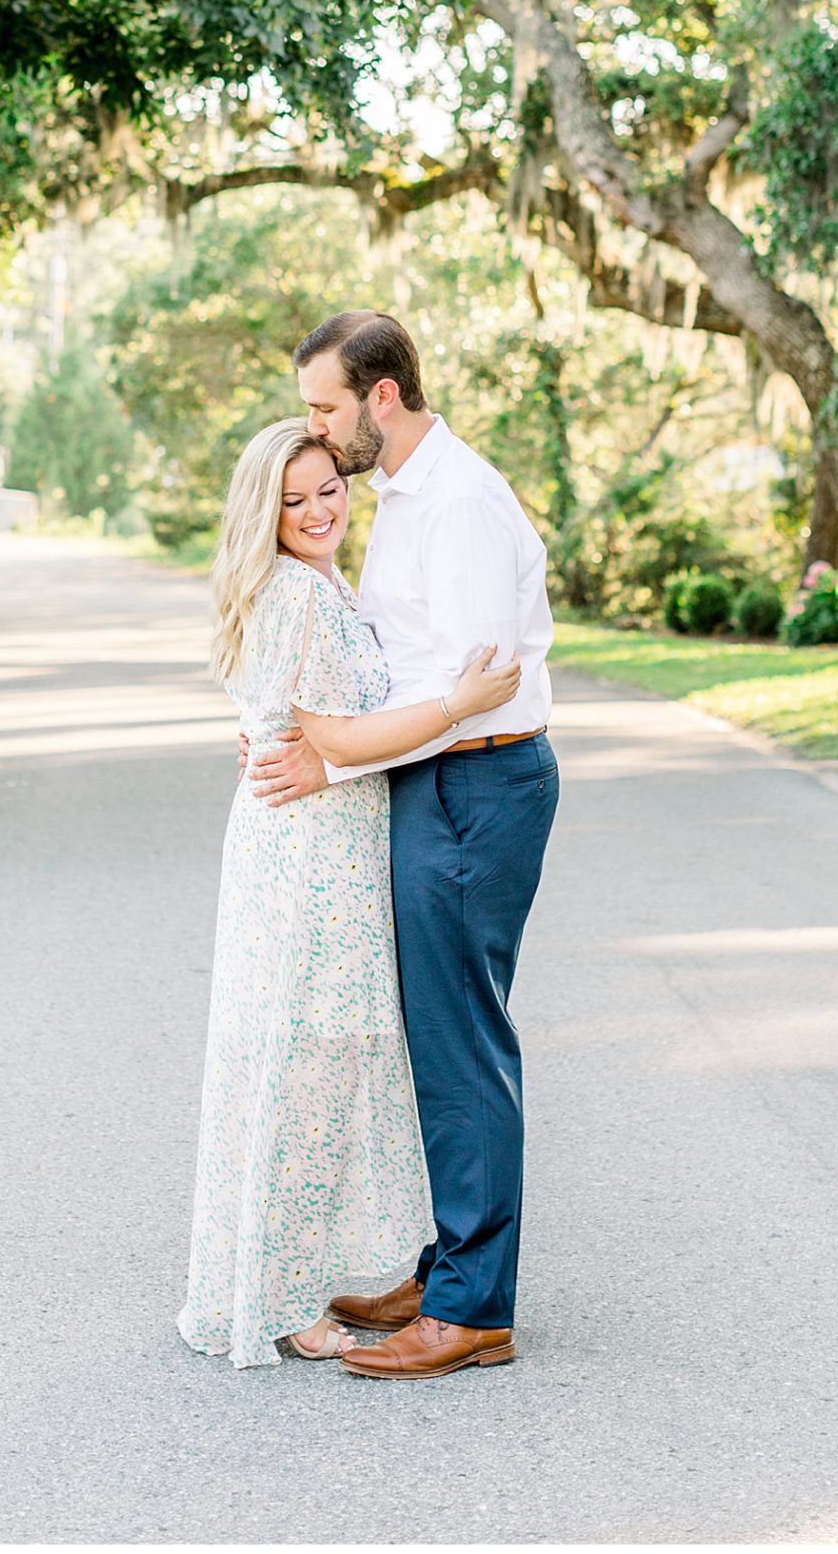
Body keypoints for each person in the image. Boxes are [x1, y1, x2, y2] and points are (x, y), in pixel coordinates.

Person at [250, 311, 559, 1381]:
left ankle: (475, 1307)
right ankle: (448, 1265)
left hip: (479, 778)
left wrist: (329, 762)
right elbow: (387, 659)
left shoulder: (462, 501)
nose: (318, 430)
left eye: (327, 406)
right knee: (435, 1031)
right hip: (433, 778)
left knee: (463, 1036)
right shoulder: (405, 495)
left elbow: (469, 691)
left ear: (382, 396)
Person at [177, 415, 521, 1370]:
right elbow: (329, 735)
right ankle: (281, 1299)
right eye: (293, 502)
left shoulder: (323, 582)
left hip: (322, 845)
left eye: (329, 489)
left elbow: (297, 720)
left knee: (310, 1071)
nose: (318, 510)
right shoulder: (296, 592)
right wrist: (457, 706)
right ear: (264, 515)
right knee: (305, 1073)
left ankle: (282, 1273)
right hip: (305, 865)